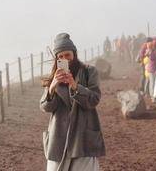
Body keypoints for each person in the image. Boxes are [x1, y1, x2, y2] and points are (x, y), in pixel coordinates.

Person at [40, 33, 106, 171]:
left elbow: (94, 100)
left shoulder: (89, 72)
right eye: (61, 57)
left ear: (74, 54)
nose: (65, 59)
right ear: (57, 58)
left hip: (82, 138)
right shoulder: (54, 76)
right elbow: (45, 107)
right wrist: (53, 86)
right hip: (58, 137)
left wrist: (74, 85)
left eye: (68, 55)